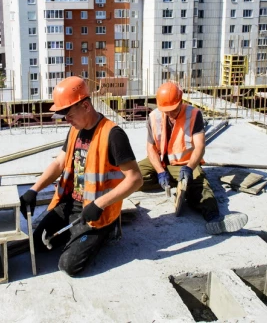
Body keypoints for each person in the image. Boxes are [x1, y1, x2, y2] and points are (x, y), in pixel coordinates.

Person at [19, 76, 143, 276]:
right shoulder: (75, 130)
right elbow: (59, 163)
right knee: (38, 243)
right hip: (70, 203)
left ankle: (107, 230)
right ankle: (76, 234)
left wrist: (99, 204)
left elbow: (135, 179)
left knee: (69, 266)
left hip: (96, 211)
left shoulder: (113, 135)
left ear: (85, 106)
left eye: (67, 113)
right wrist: (34, 190)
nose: (65, 119)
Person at [138, 82, 248, 235]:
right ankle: (175, 182)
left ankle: (214, 218)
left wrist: (190, 168)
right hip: (162, 162)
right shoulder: (154, 116)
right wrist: (160, 171)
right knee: (133, 176)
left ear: (181, 102)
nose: (169, 114)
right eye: (166, 110)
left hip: (185, 164)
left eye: (173, 110)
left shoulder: (193, 115)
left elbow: (200, 146)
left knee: (200, 185)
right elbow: (150, 148)